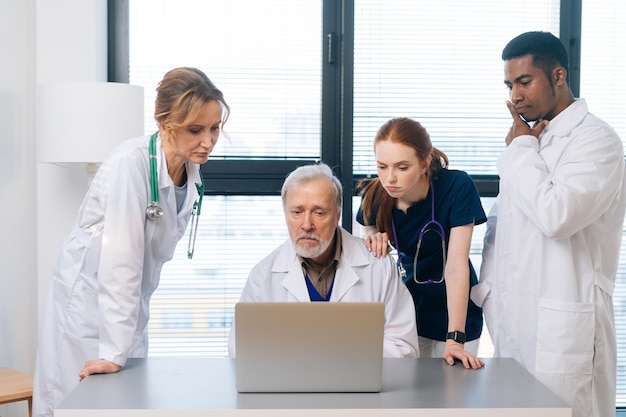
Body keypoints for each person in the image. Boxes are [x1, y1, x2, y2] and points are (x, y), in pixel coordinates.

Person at [32, 67, 230, 417]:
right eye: (195, 130)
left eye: (214, 128)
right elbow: (121, 260)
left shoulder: (188, 168)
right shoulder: (130, 164)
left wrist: (119, 344)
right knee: (75, 402)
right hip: (88, 301)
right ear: (165, 124)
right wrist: (112, 351)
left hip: (128, 303)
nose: (208, 141)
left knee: (123, 400)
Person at [472, 31, 626, 417]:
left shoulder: (597, 140)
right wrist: (489, 296)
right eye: (509, 85)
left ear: (558, 75)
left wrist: (521, 149)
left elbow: (557, 215)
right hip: (514, 331)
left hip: (564, 333)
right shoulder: (530, 140)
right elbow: (501, 233)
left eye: (525, 81)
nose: (515, 96)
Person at [228, 162, 419, 358]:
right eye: (297, 212)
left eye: (319, 213)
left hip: (357, 387)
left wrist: (335, 354)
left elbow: (404, 347)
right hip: (289, 388)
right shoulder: (263, 276)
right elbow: (240, 351)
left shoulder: (378, 266)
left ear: (337, 215)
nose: (306, 225)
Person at [356, 117, 486, 370]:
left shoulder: (457, 187)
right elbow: (369, 254)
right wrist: (373, 239)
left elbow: (456, 266)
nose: (389, 178)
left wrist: (455, 339)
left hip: (456, 311)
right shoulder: (374, 196)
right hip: (408, 310)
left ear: (425, 163)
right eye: (382, 167)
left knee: (452, 399)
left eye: (402, 167)